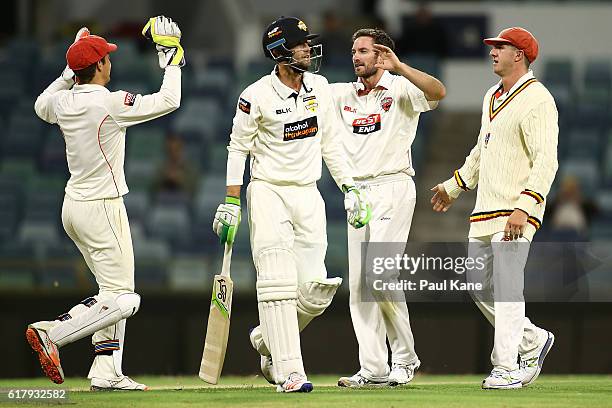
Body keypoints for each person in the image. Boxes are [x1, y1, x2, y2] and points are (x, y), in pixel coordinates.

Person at [211, 16, 371, 393]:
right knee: (278, 283)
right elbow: (238, 148)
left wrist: (351, 187)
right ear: (280, 53)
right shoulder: (255, 96)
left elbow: (330, 142)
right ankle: (290, 373)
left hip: (308, 194)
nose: (307, 50)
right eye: (300, 45)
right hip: (268, 193)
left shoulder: (319, 87)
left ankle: (267, 341)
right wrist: (232, 200)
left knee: (316, 289)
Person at [27, 16, 184, 391]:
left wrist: (67, 71)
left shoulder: (64, 101)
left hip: (73, 206)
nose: (111, 62)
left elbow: (39, 104)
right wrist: (172, 56)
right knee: (125, 299)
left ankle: (106, 370)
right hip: (102, 207)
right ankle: (53, 332)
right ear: (98, 66)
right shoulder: (110, 103)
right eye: (107, 58)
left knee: (110, 293)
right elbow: (170, 100)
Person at [431, 27, 557, 389]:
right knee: (477, 286)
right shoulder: (491, 95)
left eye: (499, 47)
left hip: (516, 211)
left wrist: (527, 205)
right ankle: (532, 340)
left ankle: (506, 367)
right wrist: (455, 185)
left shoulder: (539, 99)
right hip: (485, 210)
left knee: (506, 288)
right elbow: (482, 148)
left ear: (520, 54)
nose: (492, 52)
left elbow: (546, 160)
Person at [330, 28, 446, 387]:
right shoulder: (342, 94)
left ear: (381, 55)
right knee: (359, 285)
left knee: (379, 276)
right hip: (358, 194)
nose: (356, 57)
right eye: (354, 51)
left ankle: (406, 359)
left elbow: (438, 91)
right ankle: (374, 368)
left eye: (364, 51)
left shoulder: (400, 88)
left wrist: (399, 66)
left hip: (393, 185)